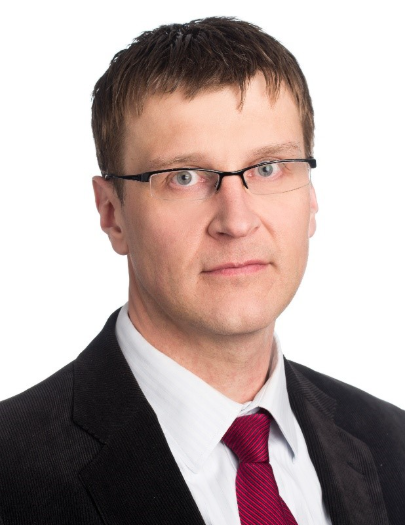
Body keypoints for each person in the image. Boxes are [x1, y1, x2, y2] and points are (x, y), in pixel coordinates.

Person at [0, 16, 403, 525]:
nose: (236, 221)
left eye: (268, 168)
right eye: (184, 177)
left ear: (312, 198)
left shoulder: (392, 443)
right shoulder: (12, 473)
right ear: (112, 213)